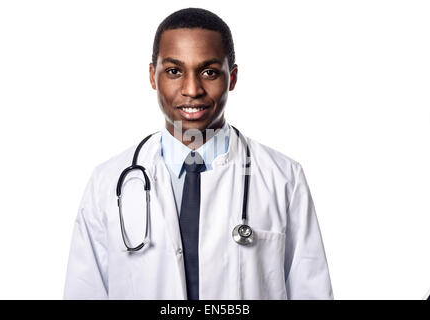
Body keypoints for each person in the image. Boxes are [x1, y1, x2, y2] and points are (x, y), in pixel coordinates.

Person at [64, 7, 333, 300]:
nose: (192, 89)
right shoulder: (107, 182)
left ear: (232, 77)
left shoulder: (283, 178)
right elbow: (84, 291)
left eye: (209, 72)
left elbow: (312, 292)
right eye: (174, 71)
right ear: (153, 76)